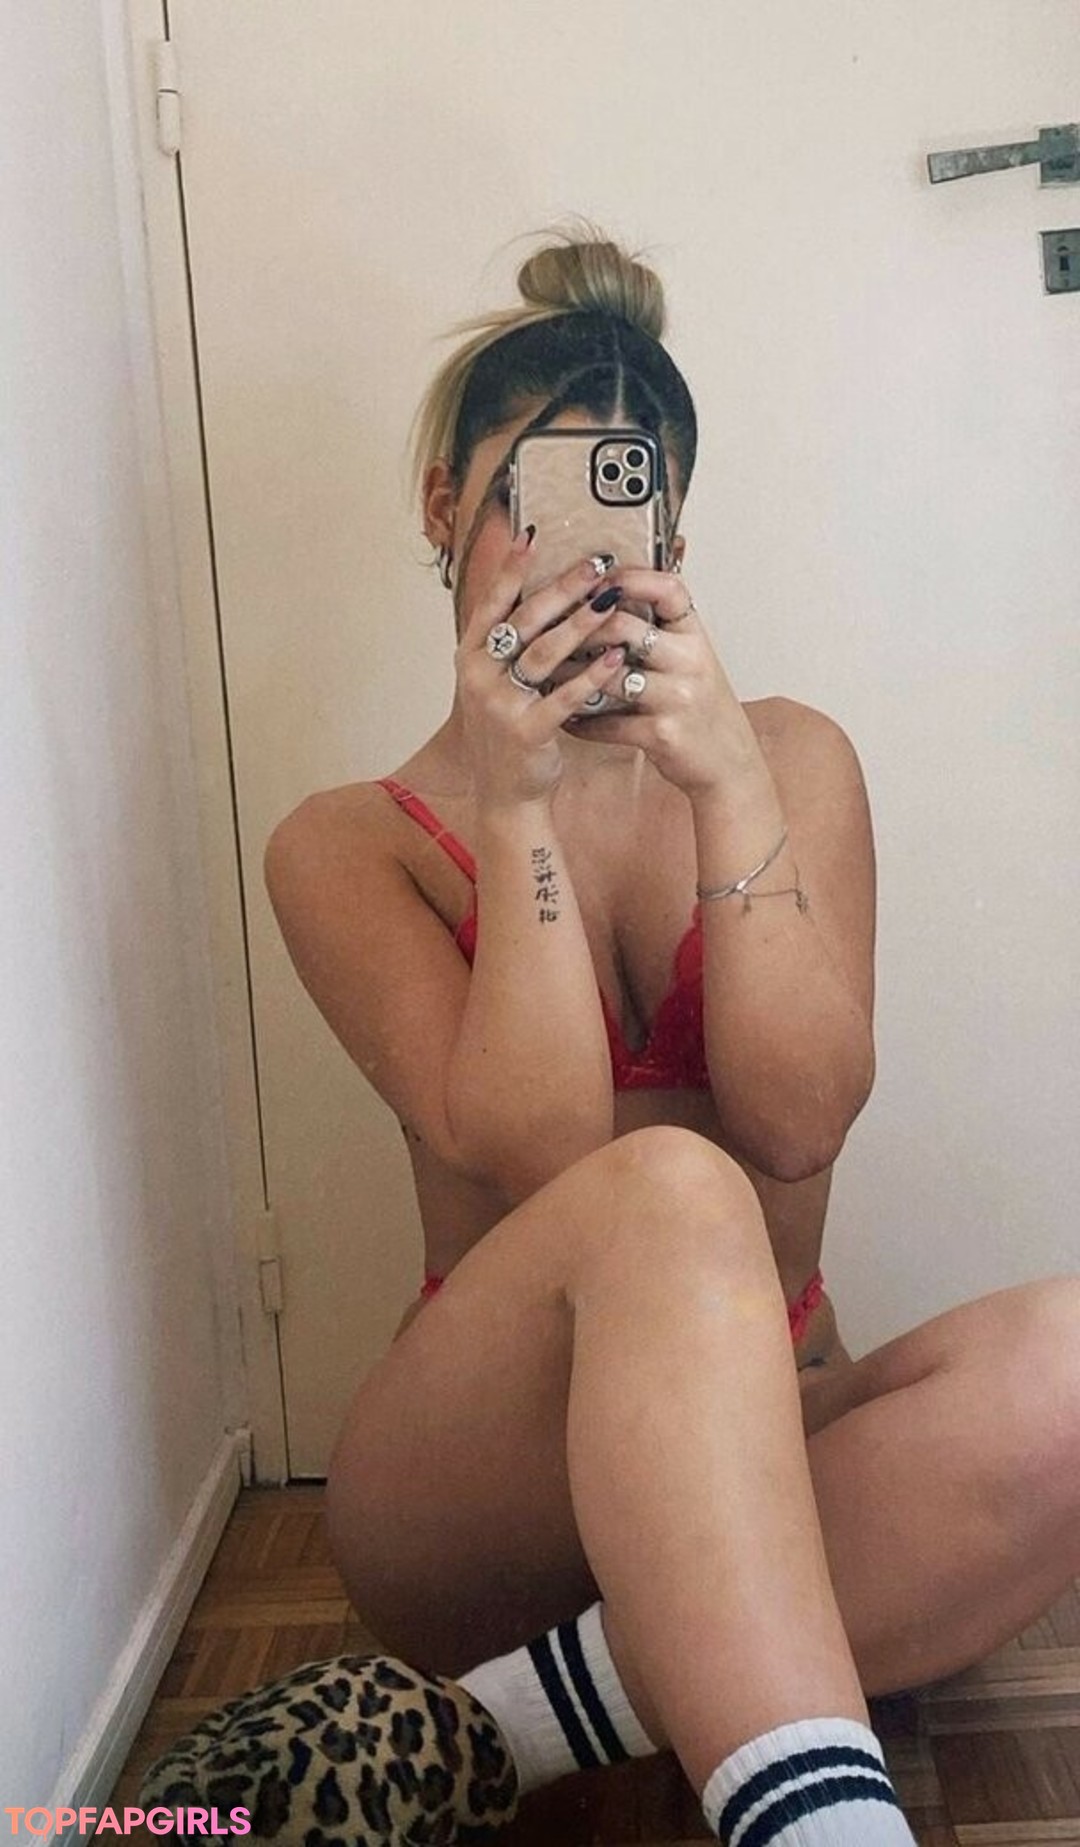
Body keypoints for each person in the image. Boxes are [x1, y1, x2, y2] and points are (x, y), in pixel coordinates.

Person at [140, 232, 1080, 1847]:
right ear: (442, 506)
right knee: (661, 1189)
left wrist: (725, 784)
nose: (566, 555)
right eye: (525, 498)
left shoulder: (789, 759)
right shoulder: (342, 844)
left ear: (671, 540)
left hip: (770, 1417)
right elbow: (545, 1154)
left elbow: (800, 1121)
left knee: (1070, 1371)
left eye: (616, 507)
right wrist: (515, 804)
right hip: (485, 1485)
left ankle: (519, 1722)